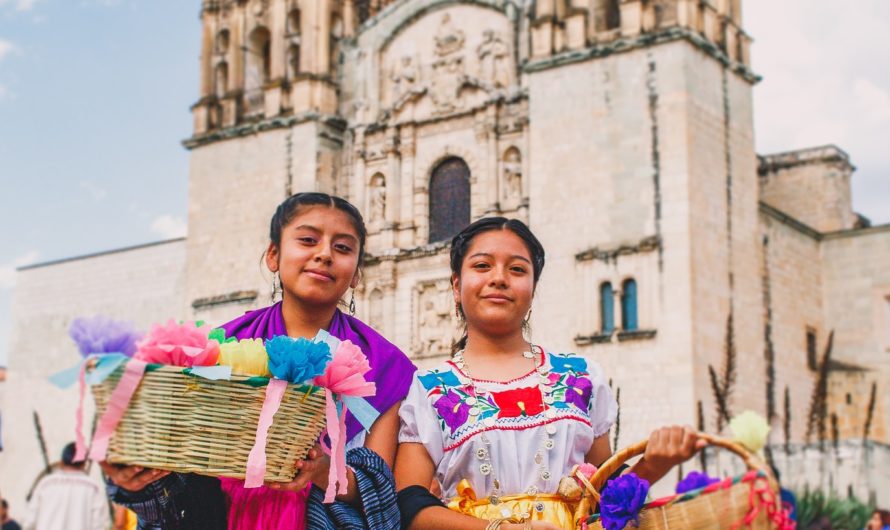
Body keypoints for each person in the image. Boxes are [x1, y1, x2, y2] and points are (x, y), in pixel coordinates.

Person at [101, 192, 416, 529]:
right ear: (273, 255)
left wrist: (323, 470)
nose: (324, 254)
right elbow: (183, 464)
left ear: (356, 273)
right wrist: (136, 477)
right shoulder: (219, 347)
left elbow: (380, 491)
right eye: (308, 240)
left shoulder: (384, 364)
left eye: (342, 248)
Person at [395, 217, 706, 530]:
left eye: (517, 269)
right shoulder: (430, 390)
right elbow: (408, 504)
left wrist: (654, 464)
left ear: (533, 288)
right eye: (482, 266)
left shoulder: (579, 378)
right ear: (456, 285)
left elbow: (605, 497)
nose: (499, 278)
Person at [22, 443, 109, 530]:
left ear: (61, 462)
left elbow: (30, 521)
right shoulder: (93, 488)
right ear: (84, 463)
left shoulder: (46, 484)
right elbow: (99, 525)